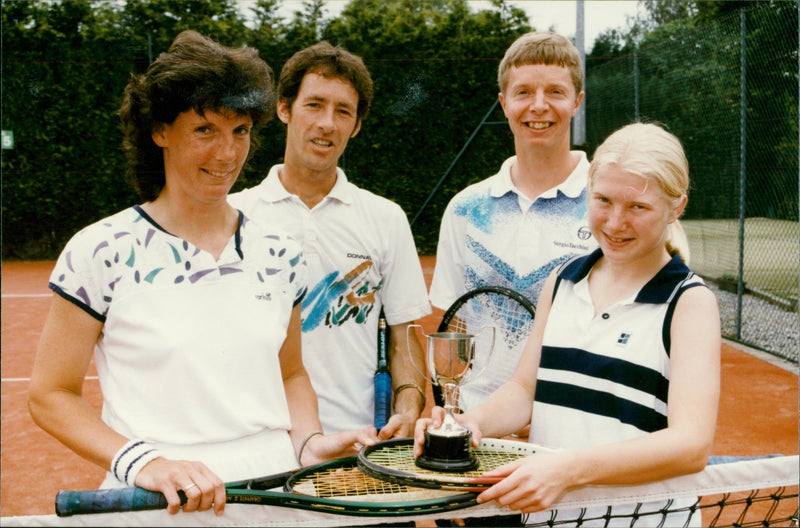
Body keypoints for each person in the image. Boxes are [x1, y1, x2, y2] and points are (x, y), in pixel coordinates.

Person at [28, 30, 374, 519]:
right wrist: (145, 462)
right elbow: (50, 394)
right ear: (160, 130)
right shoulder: (100, 249)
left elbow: (291, 372)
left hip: (274, 495)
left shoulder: (281, 252)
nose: (227, 154)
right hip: (159, 503)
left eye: (240, 131)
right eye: (205, 130)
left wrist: (308, 444)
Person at [415, 122, 721, 527]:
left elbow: (690, 445)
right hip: (552, 519)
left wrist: (566, 470)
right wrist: (471, 422)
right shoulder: (562, 281)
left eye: (637, 207)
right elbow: (524, 390)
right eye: (604, 200)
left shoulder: (689, 302)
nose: (615, 222)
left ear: (676, 207)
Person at [229, 42, 430, 439]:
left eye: (343, 112)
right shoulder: (232, 215)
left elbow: (404, 333)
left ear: (355, 126)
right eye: (314, 105)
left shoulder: (386, 218)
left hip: (355, 445)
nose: (327, 123)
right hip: (255, 442)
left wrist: (408, 405)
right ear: (284, 109)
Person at [428, 31, 598, 414]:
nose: (539, 106)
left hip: (571, 429)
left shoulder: (608, 208)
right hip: (477, 429)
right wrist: (455, 413)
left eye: (555, 92)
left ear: (577, 102)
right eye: (523, 93)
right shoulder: (464, 209)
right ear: (504, 104)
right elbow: (453, 326)